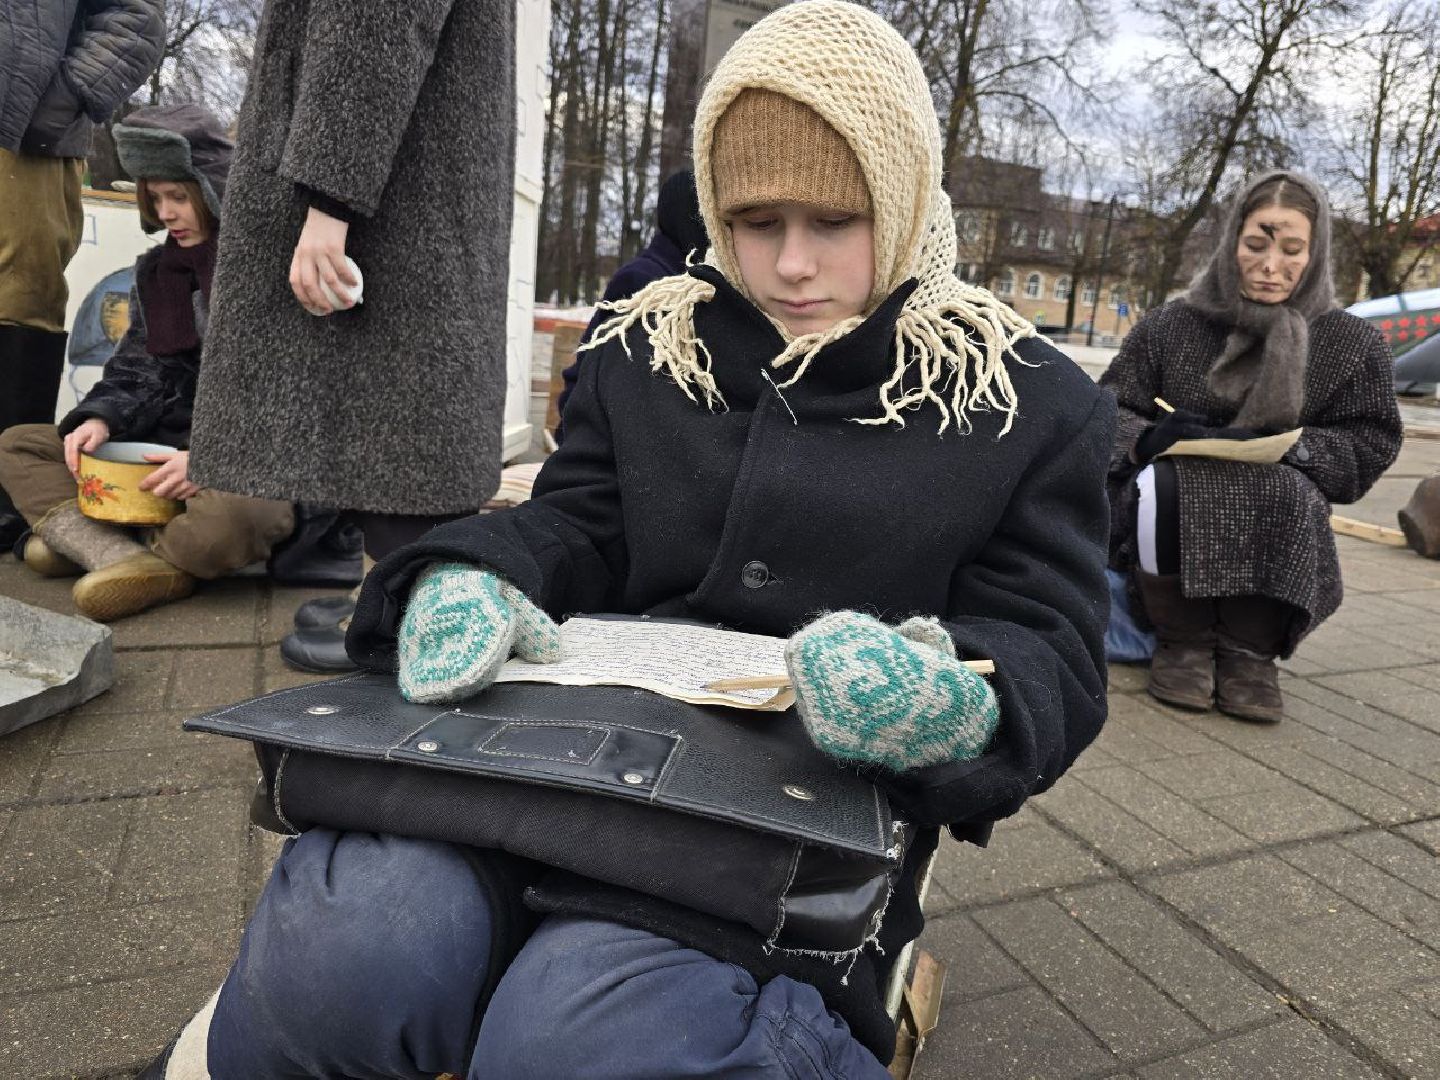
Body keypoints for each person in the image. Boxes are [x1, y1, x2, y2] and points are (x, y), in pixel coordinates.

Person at [143, 3, 1113, 1076]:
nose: (791, 265)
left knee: (575, 1040)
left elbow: (1050, 641)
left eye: (835, 221)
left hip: (780, 821)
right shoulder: (652, 348)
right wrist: (472, 574)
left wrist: (954, 705)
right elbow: (576, 523)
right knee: (343, 965)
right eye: (754, 220)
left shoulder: (1022, 401)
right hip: (545, 757)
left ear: (904, 189)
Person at [183, 0, 519, 674]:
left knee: (397, 387)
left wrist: (329, 201)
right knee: (400, 387)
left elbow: (377, 18)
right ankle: (391, 590)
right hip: (411, 159)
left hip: (389, 180)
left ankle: (404, 612)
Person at [1101, 170, 1403, 722]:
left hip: (1281, 490)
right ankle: (1181, 641)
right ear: (1231, 244)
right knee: (1158, 486)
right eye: (1256, 245)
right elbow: (1110, 406)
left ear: (1315, 255)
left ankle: (1249, 654)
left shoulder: (1349, 340)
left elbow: (1371, 435)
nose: (1271, 266)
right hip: (1178, 481)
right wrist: (1150, 438)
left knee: (1292, 495)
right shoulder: (1174, 323)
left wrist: (1297, 449)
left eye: (1292, 251)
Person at [0, 105, 294, 622]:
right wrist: (99, 418)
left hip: (246, 464)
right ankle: (121, 556)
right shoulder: (155, 273)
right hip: (159, 454)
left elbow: (294, 395)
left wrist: (212, 458)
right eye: (155, 198)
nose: (166, 213)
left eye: (178, 196)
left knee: (238, 515)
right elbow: (136, 373)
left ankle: (101, 545)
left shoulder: (270, 270)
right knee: (18, 444)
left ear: (212, 188)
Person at [0, 0, 165, 550]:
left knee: (23, 297)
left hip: (25, 137)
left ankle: (9, 502)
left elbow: (135, 15)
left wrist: (59, 100)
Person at [553, 167, 708, 442]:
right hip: (603, 448)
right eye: (709, 217)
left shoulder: (692, 281)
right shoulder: (643, 281)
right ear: (692, 219)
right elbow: (594, 375)